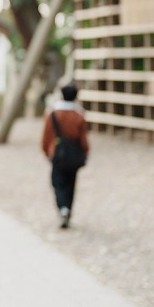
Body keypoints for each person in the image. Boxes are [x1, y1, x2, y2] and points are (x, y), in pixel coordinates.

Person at [41, 82, 89, 228]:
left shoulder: (53, 113)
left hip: (57, 152)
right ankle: (67, 208)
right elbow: (83, 138)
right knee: (70, 183)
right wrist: (85, 152)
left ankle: (62, 207)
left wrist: (46, 151)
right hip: (73, 154)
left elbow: (46, 135)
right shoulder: (79, 115)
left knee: (57, 182)